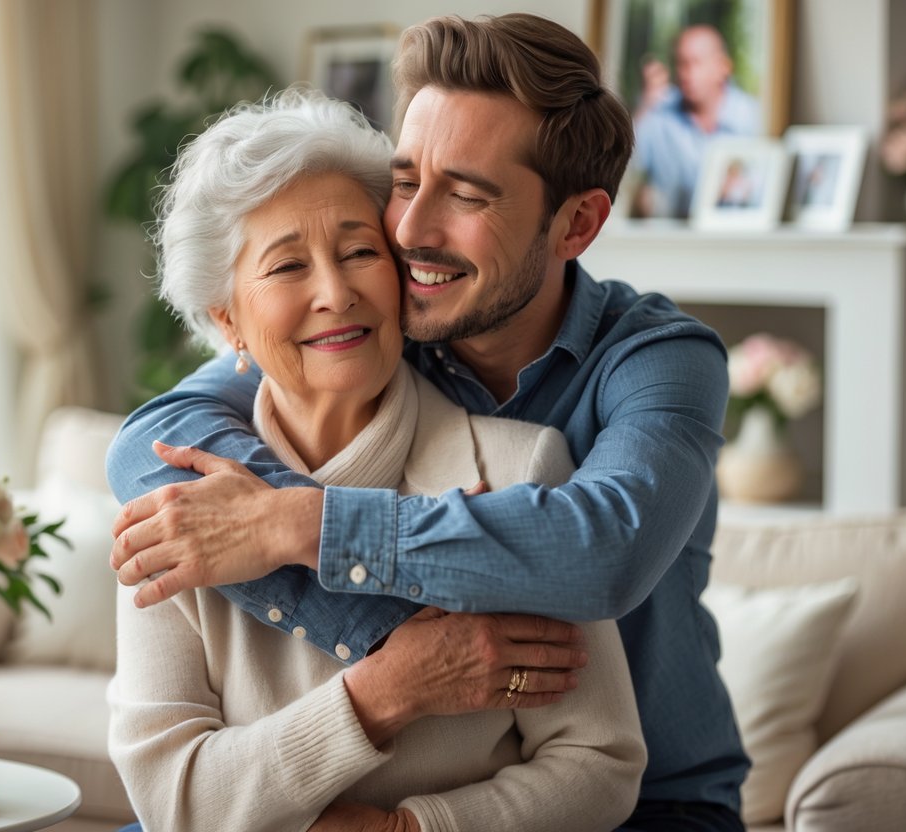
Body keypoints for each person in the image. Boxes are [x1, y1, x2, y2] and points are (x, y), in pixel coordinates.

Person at [108, 13, 750, 831]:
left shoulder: (658, 362)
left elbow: (601, 554)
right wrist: (393, 668)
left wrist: (301, 525)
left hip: (652, 803)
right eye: (406, 180)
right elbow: (150, 436)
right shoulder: (384, 326)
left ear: (577, 224)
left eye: (468, 194)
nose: (408, 231)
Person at [631, 24, 761, 218]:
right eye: (681, 63)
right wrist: (645, 106)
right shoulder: (659, 114)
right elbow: (624, 164)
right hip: (672, 240)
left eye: (695, 63)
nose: (685, 73)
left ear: (723, 67)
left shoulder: (749, 115)